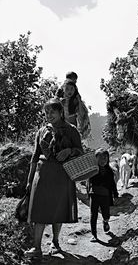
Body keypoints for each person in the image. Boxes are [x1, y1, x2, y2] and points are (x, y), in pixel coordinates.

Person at [24, 98, 83, 258]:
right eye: (46, 112)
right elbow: (35, 157)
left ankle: (55, 242)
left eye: (52, 112)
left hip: (63, 175)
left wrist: (69, 150)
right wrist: (30, 180)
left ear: (60, 112)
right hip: (42, 175)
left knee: (59, 209)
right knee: (39, 211)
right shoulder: (42, 131)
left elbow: (80, 151)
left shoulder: (71, 130)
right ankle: (37, 248)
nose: (49, 115)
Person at [87, 148, 119, 242]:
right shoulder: (92, 170)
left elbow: (112, 184)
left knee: (106, 214)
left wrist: (115, 194)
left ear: (108, 159)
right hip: (94, 194)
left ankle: (105, 222)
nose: (103, 161)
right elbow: (88, 181)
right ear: (95, 159)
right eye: (100, 158)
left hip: (105, 196)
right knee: (93, 215)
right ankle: (94, 235)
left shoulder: (109, 171)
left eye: (105, 158)